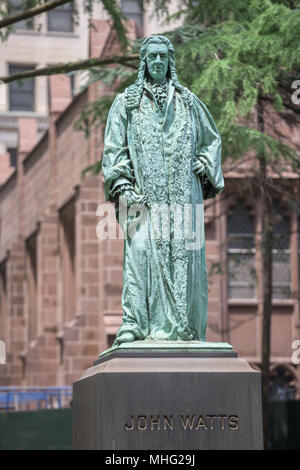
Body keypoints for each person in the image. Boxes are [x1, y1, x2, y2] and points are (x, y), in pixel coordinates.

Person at [102, 35, 224, 345]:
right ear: (144, 62)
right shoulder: (126, 102)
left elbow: (211, 140)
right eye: (152, 57)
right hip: (142, 197)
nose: (158, 62)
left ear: (170, 61)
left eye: (163, 57)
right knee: (140, 253)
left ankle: (185, 330)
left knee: (183, 257)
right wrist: (122, 186)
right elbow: (114, 148)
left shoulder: (188, 101)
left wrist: (205, 164)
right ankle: (134, 324)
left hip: (184, 196)